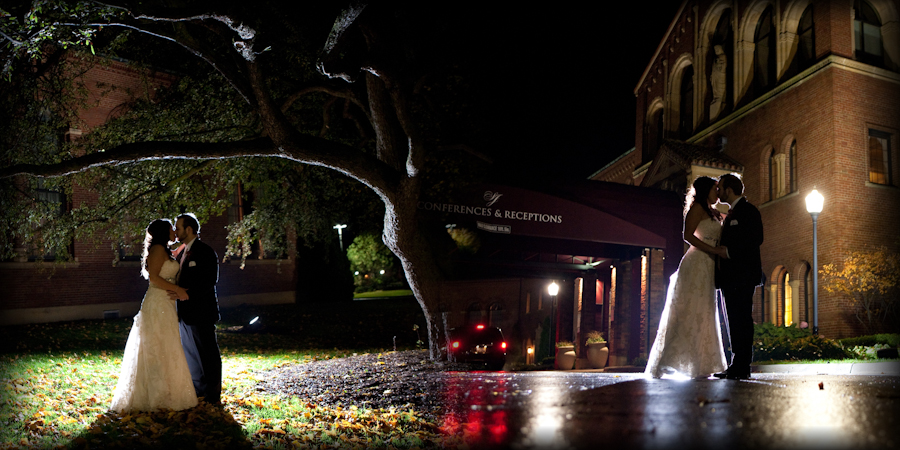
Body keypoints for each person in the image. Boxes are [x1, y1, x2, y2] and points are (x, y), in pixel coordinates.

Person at [110, 219, 198, 412]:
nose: (174, 231)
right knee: (158, 345)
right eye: (171, 229)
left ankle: (168, 392)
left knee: (167, 344)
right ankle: (157, 396)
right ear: (162, 232)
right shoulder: (158, 249)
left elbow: (173, 258)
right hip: (158, 302)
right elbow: (155, 278)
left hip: (166, 302)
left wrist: (189, 240)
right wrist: (178, 289)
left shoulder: (164, 250)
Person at [646, 176, 728, 379]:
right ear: (705, 190)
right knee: (690, 309)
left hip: (709, 265)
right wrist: (712, 250)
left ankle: (702, 363)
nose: (717, 192)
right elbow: (687, 235)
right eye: (714, 188)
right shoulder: (697, 209)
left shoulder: (715, 213)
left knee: (706, 311)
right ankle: (672, 360)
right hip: (696, 262)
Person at [713, 173, 764, 380]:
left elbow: (756, 238)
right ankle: (737, 363)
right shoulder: (732, 213)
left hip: (742, 275)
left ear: (729, 189)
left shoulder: (748, 211)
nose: (718, 192)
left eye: (721, 188)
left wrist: (729, 252)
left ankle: (743, 364)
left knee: (742, 318)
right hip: (730, 277)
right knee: (733, 319)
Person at [169, 213, 222, 405]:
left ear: (189, 229)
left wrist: (188, 293)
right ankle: (199, 390)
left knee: (208, 353)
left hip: (202, 312)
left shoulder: (205, 251)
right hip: (184, 314)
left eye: (178, 228)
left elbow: (209, 280)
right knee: (191, 354)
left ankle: (213, 395)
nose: (176, 231)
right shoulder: (182, 253)